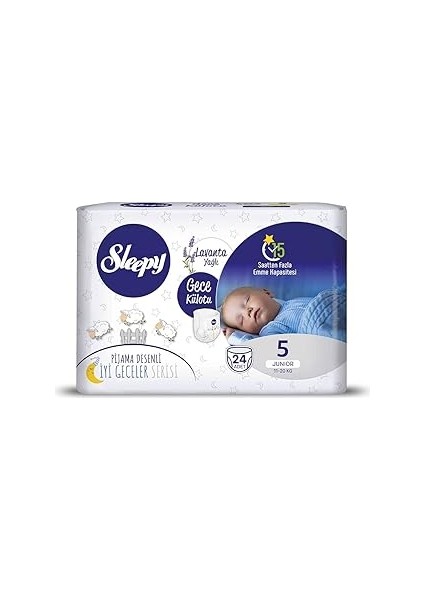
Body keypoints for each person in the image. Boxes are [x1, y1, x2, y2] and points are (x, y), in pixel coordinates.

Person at [220, 286, 346, 344]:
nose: (247, 311)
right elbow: (262, 349)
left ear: (267, 292)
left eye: (247, 301)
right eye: (241, 320)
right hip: (319, 327)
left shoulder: (289, 303)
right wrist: (236, 338)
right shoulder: (270, 330)